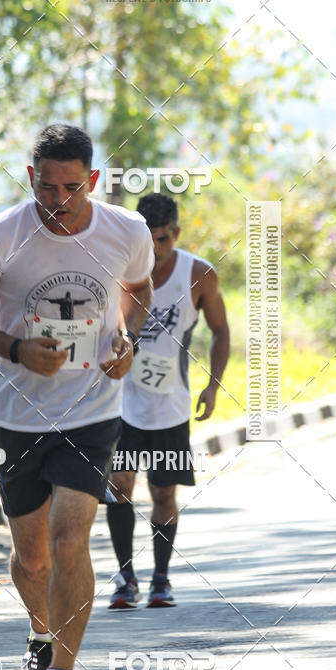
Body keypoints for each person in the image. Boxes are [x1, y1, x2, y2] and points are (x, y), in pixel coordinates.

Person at [0, 124, 153, 670]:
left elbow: (137, 289)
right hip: (17, 415)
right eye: (47, 188)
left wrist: (127, 339)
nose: (59, 200)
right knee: (32, 556)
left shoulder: (127, 230)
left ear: (94, 180)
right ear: (31, 177)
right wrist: (15, 349)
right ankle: (40, 632)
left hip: (92, 411)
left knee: (69, 538)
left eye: (72, 188)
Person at [106, 193, 230, 610]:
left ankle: (161, 578)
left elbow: (221, 330)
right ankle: (126, 578)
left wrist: (213, 386)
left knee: (163, 493)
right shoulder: (117, 269)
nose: (155, 250)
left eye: (162, 239)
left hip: (170, 406)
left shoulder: (198, 275)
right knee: (119, 487)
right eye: (148, 240)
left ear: (175, 234)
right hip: (120, 403)